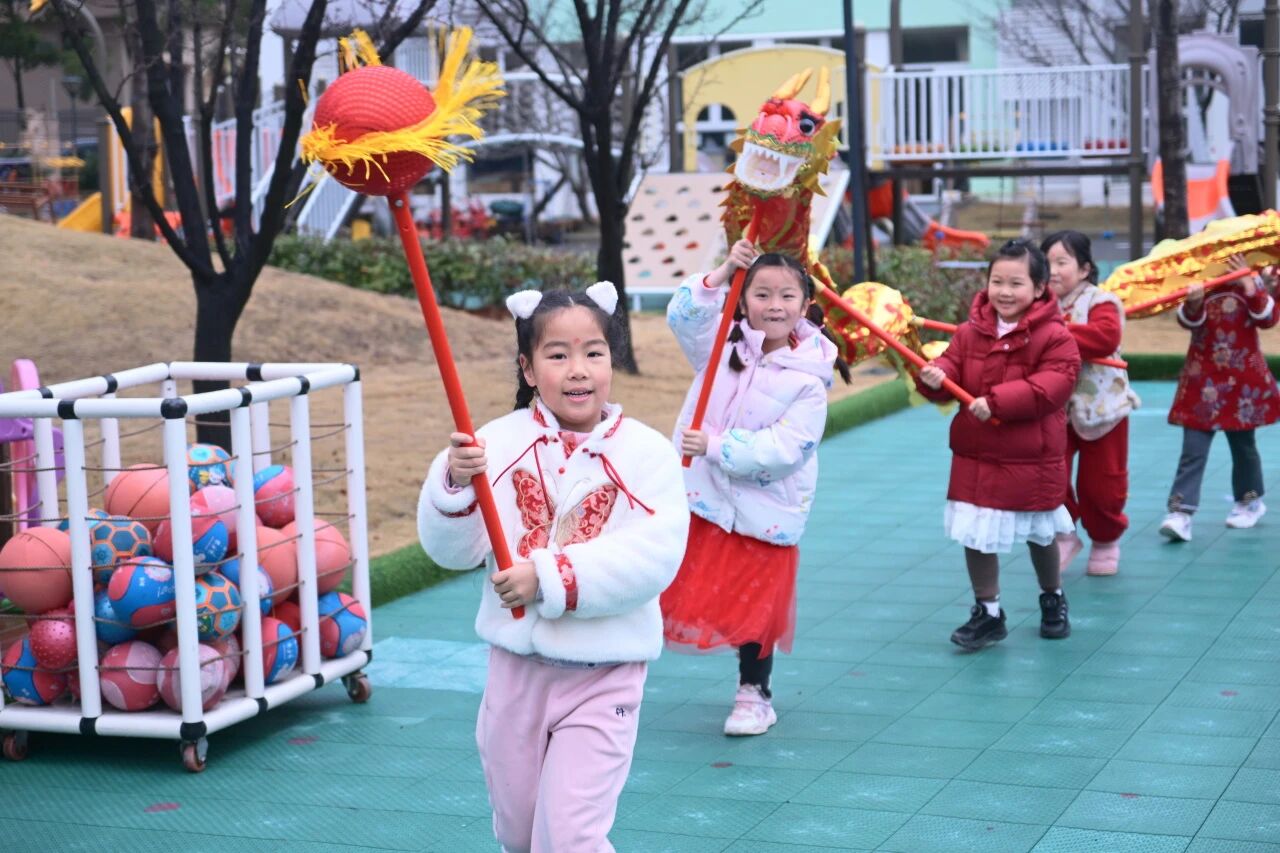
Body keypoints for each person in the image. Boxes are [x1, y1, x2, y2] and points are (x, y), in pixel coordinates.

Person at [417, 282, 689, 853]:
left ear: (612, 359)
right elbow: (451, 551)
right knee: (518, 834)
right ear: (528, 367)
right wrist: (455, 483)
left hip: (605, 673)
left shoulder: (646, 455)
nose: (578, 369)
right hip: (514, 675)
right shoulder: (494, 443)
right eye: (558, 354)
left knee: (568, 837)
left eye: (594, 352)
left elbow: (655, 555)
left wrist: (547, 577)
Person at [661, 239, 847, 736]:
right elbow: (683, 317)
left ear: (806, 305)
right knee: (679, 585)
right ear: (742, 301)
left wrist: (715, 446)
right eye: (761, 294)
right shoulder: (720, 344)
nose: (774, 306)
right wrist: (724, 269)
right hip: (707, 500)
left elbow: (785, 449)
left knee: (757, 605)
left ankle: (754, 693)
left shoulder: (808, 380)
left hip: (767, 510)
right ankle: (613, 671)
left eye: (787, 296)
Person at [916, 238, 1081, 650]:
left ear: (1040, 288)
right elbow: (952, 363)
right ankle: (988, 612)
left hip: (1032, 456)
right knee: (975, 533)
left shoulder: (1056, 336)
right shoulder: (969, 331)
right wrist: (935, 376)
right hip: (977, 452)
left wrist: (998, 402)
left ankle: (1052, 597)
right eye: (997, 282)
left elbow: (1054, 385)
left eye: (1016, 283)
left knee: (1040, 532)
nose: (1004, 292)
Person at [1041, 230, 1140, 576]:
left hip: (1103, 408)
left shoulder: (1101, 301)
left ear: (1084, 269)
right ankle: (1064, 533)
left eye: (1061, 262)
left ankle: (1105, 540)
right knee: (1047, 475)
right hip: (1053, 409)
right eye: (1046, 263)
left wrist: (1048, 333)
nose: (1053, 271)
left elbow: (1104, 337)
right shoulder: (1035, 305)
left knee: (1102, 484)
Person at [1160, 255, 1279, 540]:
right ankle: (1180, 513)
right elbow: (1188, 320)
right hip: (1202, 381)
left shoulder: (1260, 272)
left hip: (1242, 381)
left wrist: (1249, 284)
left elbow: (1268, 319)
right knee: (1193, 449)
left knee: (1243, 447)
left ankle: (1249, 502)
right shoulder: (1196, 272)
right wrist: (1193, 302)